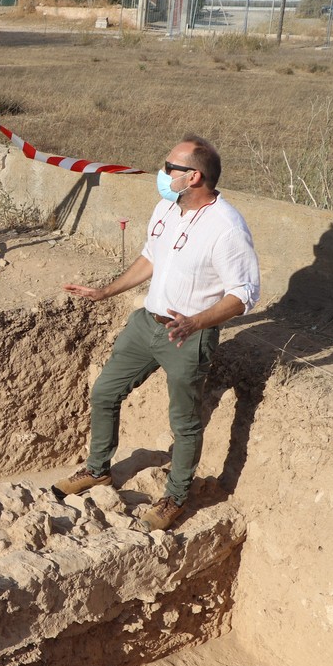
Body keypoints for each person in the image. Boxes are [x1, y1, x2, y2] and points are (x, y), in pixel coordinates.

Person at [54, 135, 260, 532]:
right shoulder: (166, 207)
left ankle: (175, 498)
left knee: (184, 423)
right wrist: (106, 291)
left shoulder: (227, 228)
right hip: (146, 324)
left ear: (194, 176)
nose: (161, 174)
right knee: (105, 392)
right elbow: (151, 256)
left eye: (169, 168)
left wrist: (196, 322)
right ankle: (97, 470)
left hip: (188, 336)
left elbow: (244, 295)